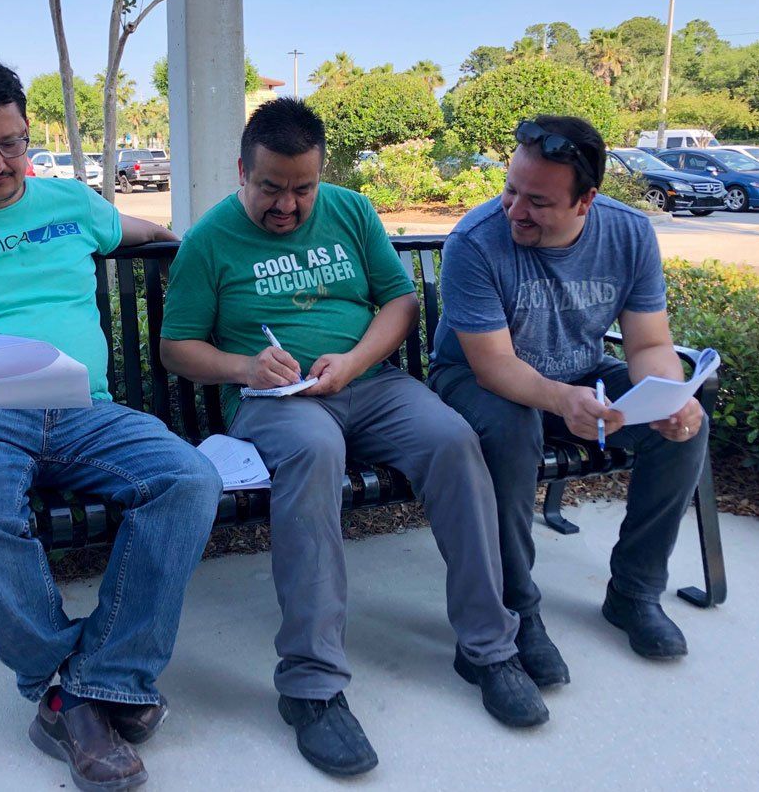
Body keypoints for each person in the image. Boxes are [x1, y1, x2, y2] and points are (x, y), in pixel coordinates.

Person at [159, 98, 547, 778]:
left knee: (453, 440)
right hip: (276, 402)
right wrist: (245, 367)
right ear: (242, 172)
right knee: (315, 453)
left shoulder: (351, 211)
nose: (288, 206)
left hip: (368, 383)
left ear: (321, 175)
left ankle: (489, 646)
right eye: (271, 188)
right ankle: (311, 686)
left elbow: (399, 301)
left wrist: (355, 361)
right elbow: (177, 348)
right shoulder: (210, 240)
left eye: (303, 188)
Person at [0, 55, 222, 792]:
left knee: (189, 479)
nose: (1, 164)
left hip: (85, 410)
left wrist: (196, 246)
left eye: (13, 143)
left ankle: (95, 684)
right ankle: (72, 689)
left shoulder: (70, 202)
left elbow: (146, 230)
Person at [428, 114, 710, 685]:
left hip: (580, 377)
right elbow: (493, 365)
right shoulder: (475, 242)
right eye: (510, 190)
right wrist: (564, 400)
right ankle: (517, 610)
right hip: (474, 381)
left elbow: (649, 344)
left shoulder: (629, 233)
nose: (515, 210)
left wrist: (670, 395)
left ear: (586, 201)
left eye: (538, 201)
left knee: (684, 428)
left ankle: (634, 592)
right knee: (511, 432)